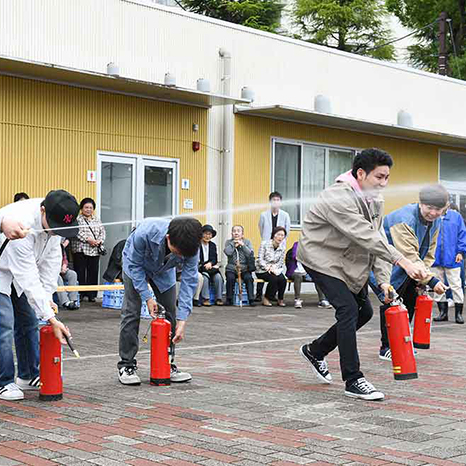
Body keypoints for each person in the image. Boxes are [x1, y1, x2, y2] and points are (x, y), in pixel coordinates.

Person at [297, 148, 426, 401]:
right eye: (379, 177)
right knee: (347, 309)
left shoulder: (373, 199)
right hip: (320, 258)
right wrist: (403, 261)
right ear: (360, 173)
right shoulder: (337, 196)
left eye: (387, 177)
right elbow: (364, 235)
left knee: (364, 311)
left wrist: (386, 280)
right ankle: (353, 379)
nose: (384, 183)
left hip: (345, 262)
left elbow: (376, 241)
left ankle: (315, 350)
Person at [0, 190, 78, 401]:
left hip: (19, 274)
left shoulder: (55, 227)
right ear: (43, 210)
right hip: (2, 270)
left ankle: (28, 375)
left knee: (28, 322)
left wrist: (48, 299)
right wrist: (51, 318)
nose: (56, 232)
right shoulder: (23, 221)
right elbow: (28, 274)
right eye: (55, 226)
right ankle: (3, 381)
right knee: (4, 325)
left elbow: (50, 264)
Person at [118, 217, 202, 385]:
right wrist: (147, 298)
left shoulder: (192, 246)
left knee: (170, 312)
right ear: (168, 238)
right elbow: (134, 266)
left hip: (164, 270)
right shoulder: (145, 233)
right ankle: (126, 365)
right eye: (177, 252)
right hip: (134, 266)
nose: (180, 256)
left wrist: (183, 319)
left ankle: (166, 363)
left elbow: (189, 281)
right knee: (131, 311)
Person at [432, 204, 466, 324]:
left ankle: (458, 314)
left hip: (452, 257)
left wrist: (461, 252)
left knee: (456, 284)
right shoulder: (432, 216)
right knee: (438, 285)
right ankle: (443, 313)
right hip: (435, 258)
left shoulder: (456, 217)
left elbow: (462, 234)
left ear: (448, 204)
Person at [256, 192, 291, 302]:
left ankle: (272, 295)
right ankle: (259, 294)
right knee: (265, 270)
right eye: (273, 199)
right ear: (270, 201)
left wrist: (279, 239)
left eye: (278, 200)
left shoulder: (285, 215)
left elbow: (287, 231)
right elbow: (261, 229)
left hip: (279, 245)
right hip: (267, 245)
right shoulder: (263, 215)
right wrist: (269, 241)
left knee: (277, 274)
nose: (276, 202)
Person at [71, 198, 106, 303]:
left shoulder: (97, 219)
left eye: (91, 207)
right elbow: (77, 232)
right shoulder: (77, 219)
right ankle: (80, 294)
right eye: (86, 207)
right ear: (81, 208)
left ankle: (92, 295)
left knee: (93, 272)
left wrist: (99, 241)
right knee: (80, 272)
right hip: (81, 250)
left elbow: (102, 231)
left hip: (95, 250)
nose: (88, 209)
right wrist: (88, 240)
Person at [286, 241, 331, 309]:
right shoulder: (291, 252)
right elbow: (288, 264)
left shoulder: (310, 253)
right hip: (295, 273)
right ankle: (297, 299)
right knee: (298, 276)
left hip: (307, 273)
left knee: (317, 276)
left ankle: (322, 300)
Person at [224, 225, 256, 307]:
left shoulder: (247, 242)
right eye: (234, 231)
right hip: (231, 267)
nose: (236, 233)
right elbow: (228, 252)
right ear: (231, 233)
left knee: (249, 278)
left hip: (244, 268)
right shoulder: (228, 242)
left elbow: (250, 254)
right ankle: (229, 299)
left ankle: (251, 299)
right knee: (230, 278)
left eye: (238, 231)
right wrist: (233, 245)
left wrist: (242, 245)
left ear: (242, 234)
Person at [256, 226, 288, 307]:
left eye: (282, 235)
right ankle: (266, 298)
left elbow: (280, 262)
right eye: (278, 234)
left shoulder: (282, 247)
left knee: (282, 279)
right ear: (274, 235)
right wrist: (267, 267)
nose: (280, 237)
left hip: (274, 269)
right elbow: (260, 259)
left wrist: (273, 268)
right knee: (274, 278)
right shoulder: (264, 244)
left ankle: (280, 299)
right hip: (262, 269)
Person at [199, 225, 223, 306]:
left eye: (209, 234)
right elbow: (196, 259)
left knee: (218, 277)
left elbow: (214, 259)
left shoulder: (212, 245)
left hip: (211, 268)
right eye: (205, 234)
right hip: (201, 268)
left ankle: (219, 298)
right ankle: (206, 299)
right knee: (205, 278)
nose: (207, 236)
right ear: (201, 234)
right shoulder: (197, 245)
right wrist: (204, 265)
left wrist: (211, 263)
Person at [56, 241, 79, 310]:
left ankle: (73, 300)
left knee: (72, 274)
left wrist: (64, 266)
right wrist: (57, 270)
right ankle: (65, 302)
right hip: (50, 271)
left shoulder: (60, 247)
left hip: (61, 269)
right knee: (58, 278)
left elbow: (64, 259)